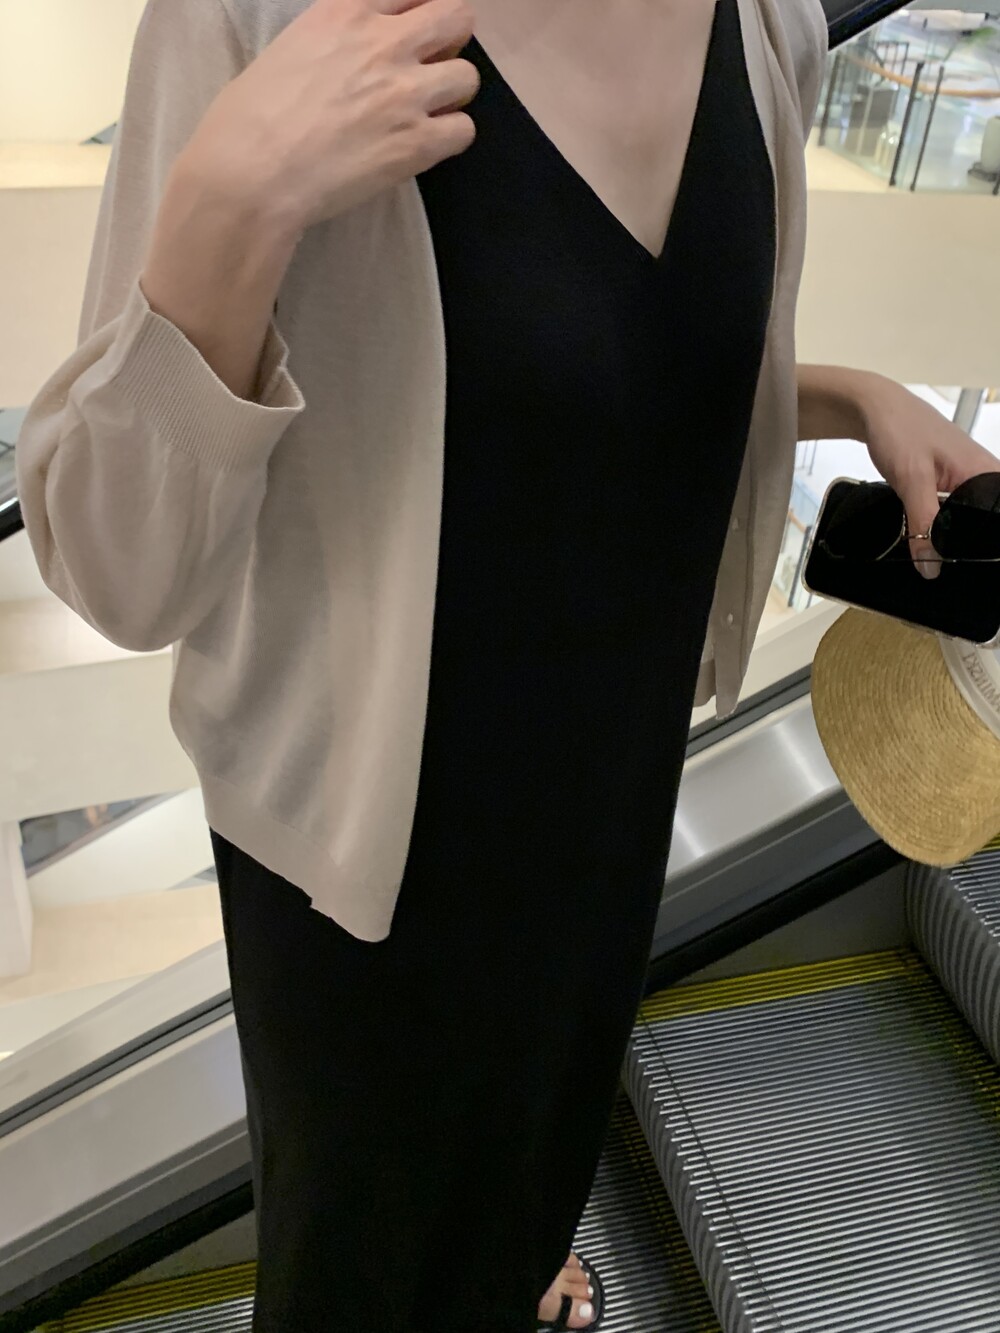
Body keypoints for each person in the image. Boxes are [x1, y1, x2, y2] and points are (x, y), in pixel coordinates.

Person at [15, 0, 998, 1327]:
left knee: (533, 1166)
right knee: (363, 1270)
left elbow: (593, 347)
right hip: (375, 863)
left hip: (612, 785)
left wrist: (849, 396)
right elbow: (118, 571)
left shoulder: (769, 27)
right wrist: (228, 201)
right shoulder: (256, 18)